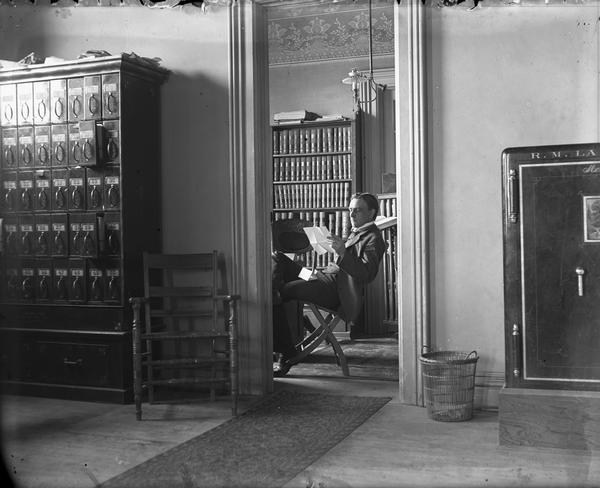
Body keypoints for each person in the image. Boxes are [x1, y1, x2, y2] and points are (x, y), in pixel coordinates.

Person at [271, 192, 386, 376]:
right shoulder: (359, 231)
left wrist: (342, 253)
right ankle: (276, 299)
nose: (352, 215)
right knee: (280, 258)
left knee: (283, 290)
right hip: (322, 277)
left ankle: (285, 351)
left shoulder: (374, 238)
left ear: (371, 213)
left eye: (357, 210)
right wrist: (321, 269)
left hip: (335, 291)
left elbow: (366, 274)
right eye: (350, 210)